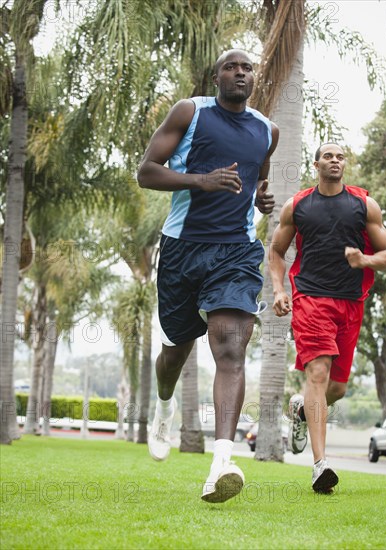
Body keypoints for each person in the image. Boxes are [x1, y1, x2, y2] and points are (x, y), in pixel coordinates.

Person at [137, 49, 279, 503]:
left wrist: (260, 198)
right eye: (231, 66)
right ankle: (164, 405)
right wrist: (201, 181)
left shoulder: (266, 130)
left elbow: (259, 177)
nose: (241, 73)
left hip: (236, 252)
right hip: (182, 249)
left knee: (231, 348)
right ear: (215, 76)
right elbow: (146, 173)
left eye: (247, 68)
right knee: (175, 353)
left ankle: (222, 462)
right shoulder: (190, 112)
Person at [269, 142, 386, 493]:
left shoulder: (364, 205)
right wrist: (280, 290)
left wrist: (363, 261)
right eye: (329, 156)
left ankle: (300, 410)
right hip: (310, 298)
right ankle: (320, 466)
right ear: (317, 164)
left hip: (351, 302)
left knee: (336, 388)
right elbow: (277, 252)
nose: (335, 161)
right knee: (319, 373)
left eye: (340, 157)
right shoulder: (299, 205)